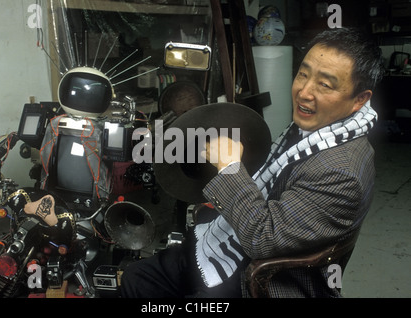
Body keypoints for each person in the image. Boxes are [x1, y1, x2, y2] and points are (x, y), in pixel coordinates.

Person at [120, 27, 384, 298]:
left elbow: (262, 239)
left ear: (359, 99)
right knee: (137, 276)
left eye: (325, 85)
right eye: (303, 74)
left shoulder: (341, 172)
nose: (304, 92)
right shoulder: (321, 132)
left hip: (263, 279)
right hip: (232, 247)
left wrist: (229, 168)